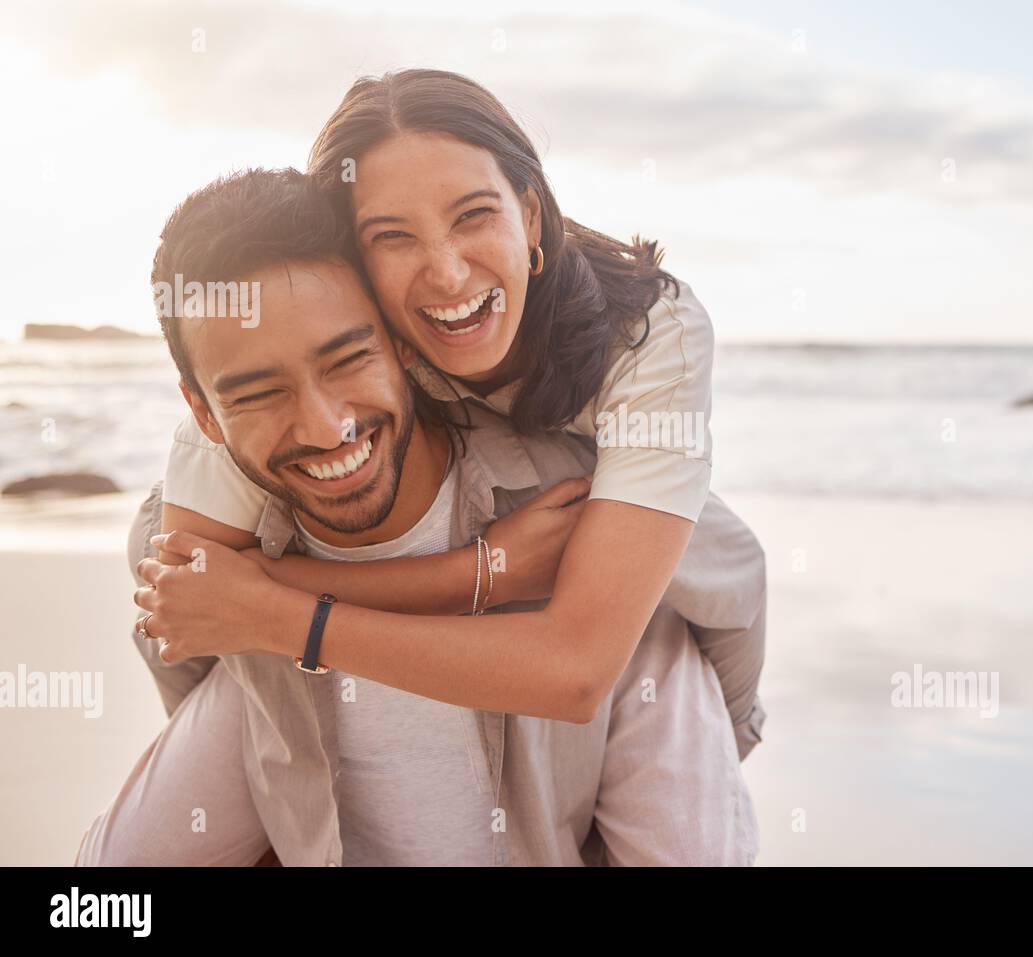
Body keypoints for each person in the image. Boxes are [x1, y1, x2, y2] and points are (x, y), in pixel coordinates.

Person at [79, 168, 757, 866]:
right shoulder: (230, 588)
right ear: (203, 414)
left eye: (347, 358)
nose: (324, 426)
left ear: (405, 341)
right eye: (258, 394)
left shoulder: (585, 530)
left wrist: (473, 577)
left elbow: (730, 592)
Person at [139, 69, 768, 755]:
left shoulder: (654, 331)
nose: (446, 274)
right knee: (151, 528)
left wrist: (285, 616)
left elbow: (577, 668)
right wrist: (477, 571)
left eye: (473, 216)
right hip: (496, 536)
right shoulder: (322, 346)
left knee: (694, 574)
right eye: (392, 236)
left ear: (529, 215)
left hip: (663, 565)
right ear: (350, 257)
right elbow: (192, 588)